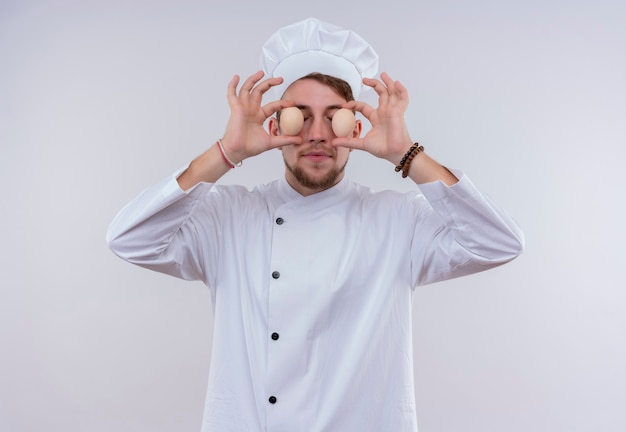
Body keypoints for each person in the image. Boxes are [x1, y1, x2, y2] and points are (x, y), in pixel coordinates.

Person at [107, 18, 524, 432]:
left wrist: (407, 154)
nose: (318, 134)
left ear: (357, 127)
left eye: (335, 117)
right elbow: (130, 240)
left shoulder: (398, 221)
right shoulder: (229, 218)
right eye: (299, 117)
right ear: (273, 126)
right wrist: (226, 151)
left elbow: (498, 244)